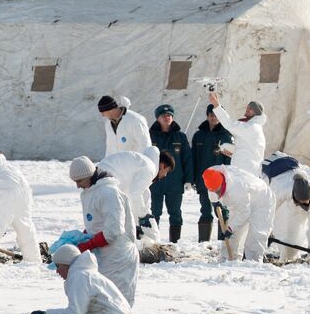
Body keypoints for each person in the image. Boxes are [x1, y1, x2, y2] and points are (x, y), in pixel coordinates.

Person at [68, 155, 140, 305]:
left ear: (89, 175)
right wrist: (84, 237)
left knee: (118, 301)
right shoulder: (88, 193)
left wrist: (88, 245)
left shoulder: (109, 192)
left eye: (79, 181)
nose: (77, 186)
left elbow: (113, 230)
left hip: (119, 256)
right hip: (104, 254)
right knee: (102, 299)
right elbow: (96, 221)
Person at [202, 165, 274, 262]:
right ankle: (227, 259)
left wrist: (230, 228)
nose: (217, 193)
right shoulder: (211, 176)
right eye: (213, 191)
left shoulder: (236, 189)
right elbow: (211, 191)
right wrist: (215, 203)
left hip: (261, 200)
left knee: (256, 235)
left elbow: (244, 213)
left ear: (223, 183)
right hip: (241, 202)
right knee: (232, 235)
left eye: (218, 191)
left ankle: (253, 261)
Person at [268, 165, 310, 263]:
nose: (305, 205)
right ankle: (288, 259)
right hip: (278, 177)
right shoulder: (282, 191)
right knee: (291, 240)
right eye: (302, 202)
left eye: (307, 201)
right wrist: (269, 233)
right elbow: (269, 213)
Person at [149, 104, 193, 243]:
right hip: (154, 181)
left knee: (175, 213)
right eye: (163, 116)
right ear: (158, 119)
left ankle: (175, 242)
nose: (166, 118)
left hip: (175, 181)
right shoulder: (150, 136)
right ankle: (152, 241)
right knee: (153, 212)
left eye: (169, 115)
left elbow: (187, 159)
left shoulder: (180, 137)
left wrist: (188, 179)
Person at [98, 146, 164, 239]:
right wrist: (142, 217)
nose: (165, 175)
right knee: (113, 222)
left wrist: (137, 221)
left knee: (100, 220)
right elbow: (135, 194)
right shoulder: (149, 168)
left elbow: (132, 196)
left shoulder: (139, 162)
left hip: (98, 175)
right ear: (160, 165)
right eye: (166, 171)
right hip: (107, 181)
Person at [190, 105, 233, 242]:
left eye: (216, 115)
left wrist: (227, 179)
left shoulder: (226, 135)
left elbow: (230, 161)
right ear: (207, 116)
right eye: (211, 115)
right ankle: (203, 242)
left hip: (220, 182)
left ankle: (223, 241)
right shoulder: (199, 135)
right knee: (205, 210)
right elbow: (193, 158)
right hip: (203, 180)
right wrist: (192, 178)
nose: (213, 117)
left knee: (221, 210)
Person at [209, 92, 267, 177]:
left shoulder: (251, 127)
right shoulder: (255, 128)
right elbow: (248, 150)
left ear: (257, 113)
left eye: (252, 108)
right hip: (249, 170)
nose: (248, 108)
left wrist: (216, 105)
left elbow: (229, 124)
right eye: (248, 106)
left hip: (245, 171)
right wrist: (233, 152)